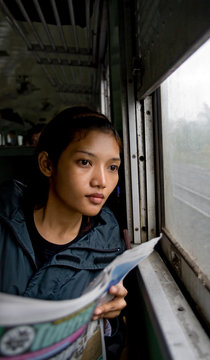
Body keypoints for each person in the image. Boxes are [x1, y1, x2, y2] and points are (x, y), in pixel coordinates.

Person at [0, 106, 128, 359]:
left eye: (112, 167)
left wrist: (110, 320)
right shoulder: (4, 224)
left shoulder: (110, 242)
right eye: (85, 162)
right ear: (48, 164)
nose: (102, 181)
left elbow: (110, 347)